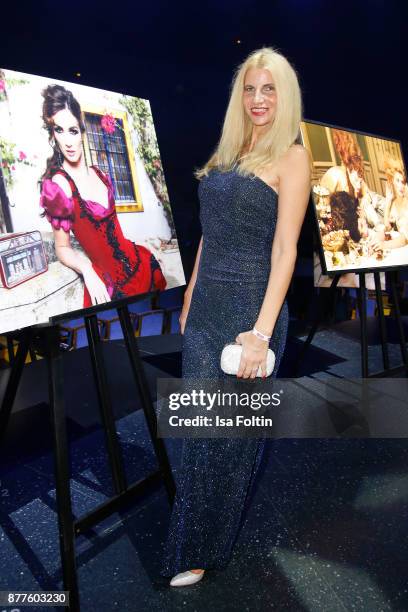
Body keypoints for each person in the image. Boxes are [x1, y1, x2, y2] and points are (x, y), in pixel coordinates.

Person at [159, 48, 311, 587]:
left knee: (228, 440)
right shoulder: (228, 152)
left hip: (251, 312)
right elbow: (209, 234)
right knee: (203, 433)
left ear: (284, 95)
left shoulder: (292, 157)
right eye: (250, 89)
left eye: (268, 89)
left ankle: (197, 546)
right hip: (206, 310)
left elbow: (286, 252)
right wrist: (190, 295)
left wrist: (261, 333)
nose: (258, 99)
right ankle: (197, 532)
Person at [39, 84, 166, 307]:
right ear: (52, 134)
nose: (68, 141)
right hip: (109, 283)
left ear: (82, 130)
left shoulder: (100, 173)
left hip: (139, 263)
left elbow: (115, 232)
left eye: (73, 130)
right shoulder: (59, 184)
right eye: (59, 130)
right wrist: (86, 269)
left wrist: (146, 248)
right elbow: (62, 247)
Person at [320, 129, 384, 234]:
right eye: (355, 178)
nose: (358, 183)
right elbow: (322, 210)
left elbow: (368, 207)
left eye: (360, 177)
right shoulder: (335, 176)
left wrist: (378, 225)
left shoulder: (360, 182)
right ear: (348, 171)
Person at [369, 154, 408, 252]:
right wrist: (388, 201)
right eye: (398, 181)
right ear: (392, 182)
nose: (401, 186)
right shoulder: (394, 203)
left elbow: (404, 239)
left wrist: (383, 245)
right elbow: (387, 227)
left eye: (403, 182)